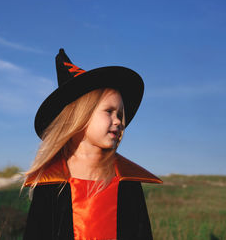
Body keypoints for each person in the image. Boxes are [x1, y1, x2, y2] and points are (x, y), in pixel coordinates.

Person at [22, 49, 162, 240]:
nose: (119, 121)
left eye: (120, 114)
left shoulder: (127, 180)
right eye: (109, 111)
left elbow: (141, 234)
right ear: (81, 117)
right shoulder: (52, 182)